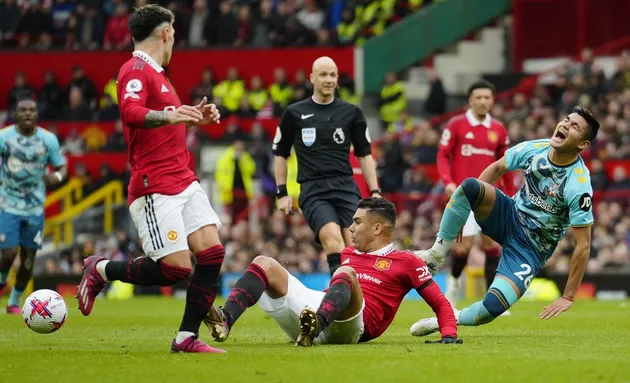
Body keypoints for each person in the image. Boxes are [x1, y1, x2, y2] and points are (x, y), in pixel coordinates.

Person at [75, 4, 225, 354]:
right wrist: (171, 114)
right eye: (174, 33)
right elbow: (130, 112)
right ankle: (102, 270)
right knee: (175, 270)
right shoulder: (135, 69)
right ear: (166, 33)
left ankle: (186, 338)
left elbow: (164, 124)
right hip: (155, 187)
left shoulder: (159, 74)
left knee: (213, 253)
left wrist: (193, 118)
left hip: (184, 180)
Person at [410, 106, 599, 337]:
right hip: (508, 215)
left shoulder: (578, 184)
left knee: (491, 309)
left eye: (575, 127)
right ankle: (436, 255)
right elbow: (498, 167)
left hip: (531, 248)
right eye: (567, 120)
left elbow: (583, 245)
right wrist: (466, 212)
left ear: (583, 144)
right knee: (470, 186)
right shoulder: (535, 148)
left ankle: (450, 317)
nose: (565, 126)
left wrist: (568, 296)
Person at [203, 198, 461, 346]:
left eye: (357, 222)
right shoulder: (349, 253)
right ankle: (225, 319)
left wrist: (449, 335)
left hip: (353, 328)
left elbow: (440, 303)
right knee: (264, 262)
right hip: (317, 312)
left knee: (346, 272)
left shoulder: (406, 261)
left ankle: (313, 327)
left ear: (377, 229)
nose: (350, 228)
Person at [273, 56, 380, 276]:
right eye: (323, 74)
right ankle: (342, 300)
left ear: (337, 79)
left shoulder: (352, 113)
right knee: (332, 240)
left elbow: (364, 154)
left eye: (332, 75)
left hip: (345, 187)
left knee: (354, 245)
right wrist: (282, 193)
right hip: (313, 190)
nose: (328, 79)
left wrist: (375, 191)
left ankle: (352, 300)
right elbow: (280, 154)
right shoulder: (294, 113)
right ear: (312, 78)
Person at [437, 80, 515, 310]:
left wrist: (510, 196)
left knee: (492, 246)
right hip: (463, 197)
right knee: (463, 247)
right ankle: (452, 288)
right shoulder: (456, 125)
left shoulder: (498, 129)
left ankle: (493, 302)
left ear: (492, 101)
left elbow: (506, 165)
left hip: (491, 198)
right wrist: (448, 182)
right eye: (478, 97)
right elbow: (442, 156)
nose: (483, 102)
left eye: (487, 98)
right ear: (470, 100)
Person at [0, 98, 66, 313]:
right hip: (8, 204)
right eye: (23, 110)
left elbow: (61, 167)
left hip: (35, 208)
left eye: (32, 110)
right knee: (8, 253)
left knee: (28, 260)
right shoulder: (4, 137)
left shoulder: (48, 140)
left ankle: (13, 302)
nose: (28, 113)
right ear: (15, 113)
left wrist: (56, 177)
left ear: (37, 114)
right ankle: (2, 282)